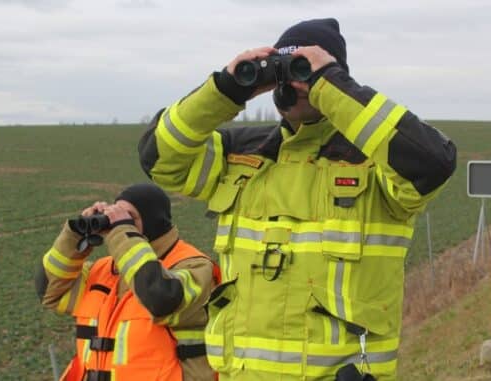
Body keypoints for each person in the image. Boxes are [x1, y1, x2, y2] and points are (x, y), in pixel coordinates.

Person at [138, 18, 457, 381]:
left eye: (304, 69)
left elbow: (433, 162)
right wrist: (226, 89)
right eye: (283, 71)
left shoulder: (375, 161)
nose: (293, 82)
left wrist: (331, 84)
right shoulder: (239, 155)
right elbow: (158, 157)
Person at [35, 183, 219, 381]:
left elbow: (161, 299)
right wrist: (74, 238)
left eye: (129, 217)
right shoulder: (102, 270)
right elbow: (49, 292)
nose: (119, 223)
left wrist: (123, 234)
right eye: (116, 216)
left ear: (153, 221)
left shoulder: (194, 266)